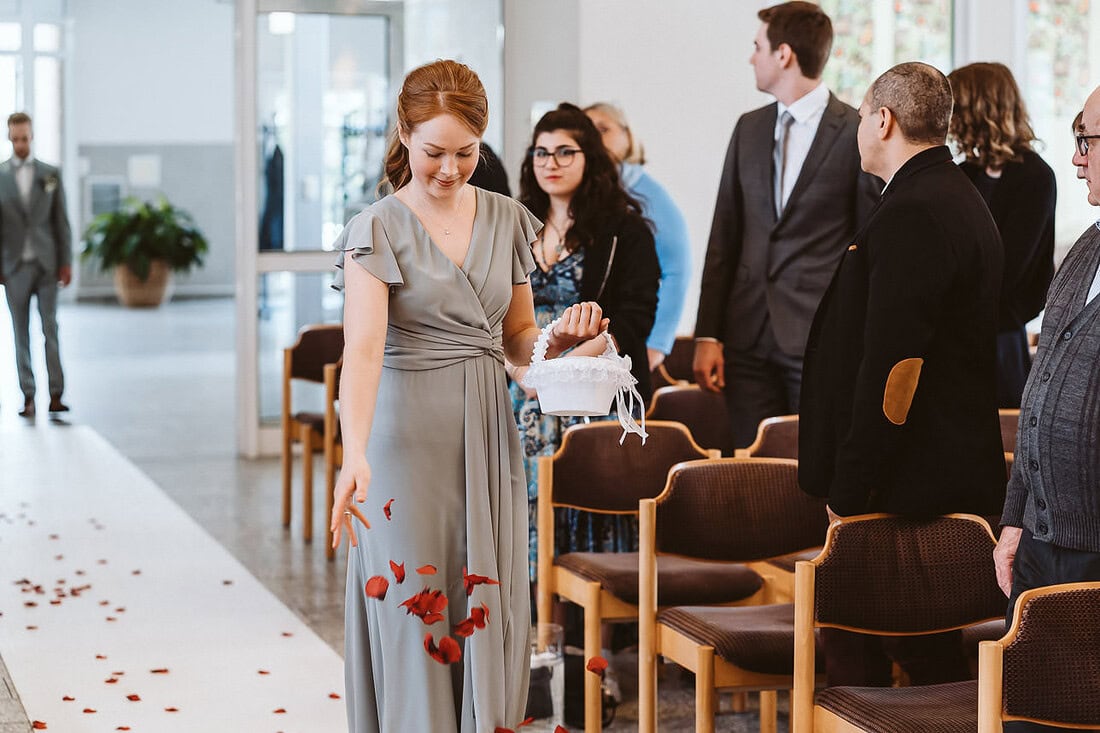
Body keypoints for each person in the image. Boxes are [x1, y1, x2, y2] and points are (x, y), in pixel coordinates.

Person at [328, 60, 609, 732]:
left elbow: (516, 341)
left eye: (465, 153)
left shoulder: (509, 218)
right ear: (404, 133)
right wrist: (353, 451)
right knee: (413, 607)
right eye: (433, 153)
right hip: (400, 442)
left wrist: (564, 353)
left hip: (484, 436)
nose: (450, 170)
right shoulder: (376, 227)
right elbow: (363, 349)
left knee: (482, 604)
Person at [799, 62, 1007, 687]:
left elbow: (898, 368)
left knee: (873, 666)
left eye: (862, 116)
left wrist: (850, 488)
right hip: (926, 472)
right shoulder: (950, 195)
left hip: (901, 488)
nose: (859, 127)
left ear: (883, 120)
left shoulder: (916, 210)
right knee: (919, 664)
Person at [510, 102, 659, 699]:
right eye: (541, 151)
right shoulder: (515, 223)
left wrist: (573, 357)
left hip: (587, 397)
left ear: (589, 158)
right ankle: (526, 660)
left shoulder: (625, 229)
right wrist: (525, 364)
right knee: (522, 522)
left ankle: (586, 671)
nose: (550, 162)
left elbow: (636, 316)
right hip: (519, 393)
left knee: (578, 524)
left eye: (564, 151)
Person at [693, 1, 880, 449]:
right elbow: (725, 235)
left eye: (757, 46)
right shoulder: (749, 128)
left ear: (783, 55)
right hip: (745, 336)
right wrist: (708, 333)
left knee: (816, 467)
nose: (751, 56)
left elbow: (868, 245)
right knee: (754, 470)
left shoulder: (856, 130)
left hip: (820, 337)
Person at [994, 86, 1100, 733]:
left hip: (1093, 552)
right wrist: (1013, 520)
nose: (1077, 157)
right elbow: (1039, 394)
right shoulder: (1087, 245)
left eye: (1087, 139)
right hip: (1042, 539)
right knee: (1028, 718)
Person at [948, 62, 1056, 408]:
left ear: (979, 108)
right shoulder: (963, 173)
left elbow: (1007, 269)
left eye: (956, 107)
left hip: (1000, 335)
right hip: (958, 329)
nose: (950, 119)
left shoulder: (1035, 177)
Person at [584, 102, 692, 371]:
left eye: (603, 129)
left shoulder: (648, 195)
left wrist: (658, 344)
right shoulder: (588, 197)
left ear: (627, 136)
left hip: (629, 340)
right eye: (586, 131)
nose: (594, 138)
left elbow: (677, 270)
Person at [0, 112, 72, 418]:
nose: (20, 144)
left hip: (46, 264)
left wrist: (65, 262)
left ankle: (56, 394)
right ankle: (27, 395)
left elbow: (61, 222)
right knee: (20, 332)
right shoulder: (0, 176)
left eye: (25, 138)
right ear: (9, 138)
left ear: (32, 136)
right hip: (14, 266)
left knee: (49, 328)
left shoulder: (50, 173)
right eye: (15, 139)